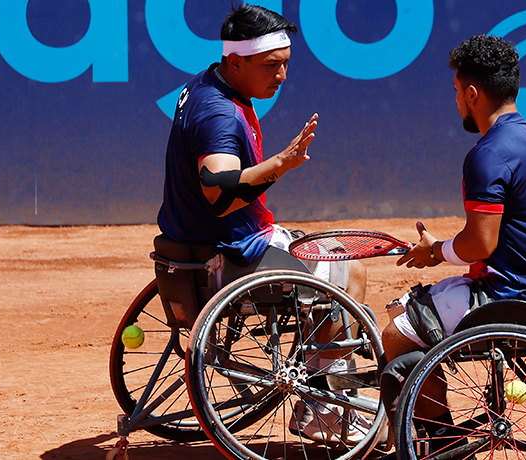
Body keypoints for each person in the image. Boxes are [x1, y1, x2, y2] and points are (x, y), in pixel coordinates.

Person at [155, 3, 370, 444]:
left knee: (322, 255)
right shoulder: (219, 114)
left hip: (193, 249)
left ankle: (322, 385)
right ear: (236, 62)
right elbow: (219, 195)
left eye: (287, 64)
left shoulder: (206, 84)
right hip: (231, 255)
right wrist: (281, 164)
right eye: (272, 65)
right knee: (350, 273)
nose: (282, 76)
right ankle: (324, 409)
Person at [378, 34, 526, 455]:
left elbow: (480, 243)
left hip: (503, 297)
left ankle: (440, 441)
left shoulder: (487, 152)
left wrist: (434, 251)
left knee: (396, 337)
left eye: (456, 92)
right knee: (412, 309)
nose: (456, 101)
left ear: (472, 94)